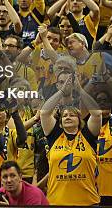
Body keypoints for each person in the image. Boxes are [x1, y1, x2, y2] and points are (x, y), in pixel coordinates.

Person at [40, 72, 102, 206]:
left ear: (79, 120)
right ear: (60, 122)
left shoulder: (87, 135)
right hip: (57, 202)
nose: (68, 117)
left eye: (72, 115)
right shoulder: (54, 135)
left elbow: (97, 113)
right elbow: (44, 113)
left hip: (88, 202)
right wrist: (62, 91)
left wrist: (80, 90)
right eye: (65, 115)